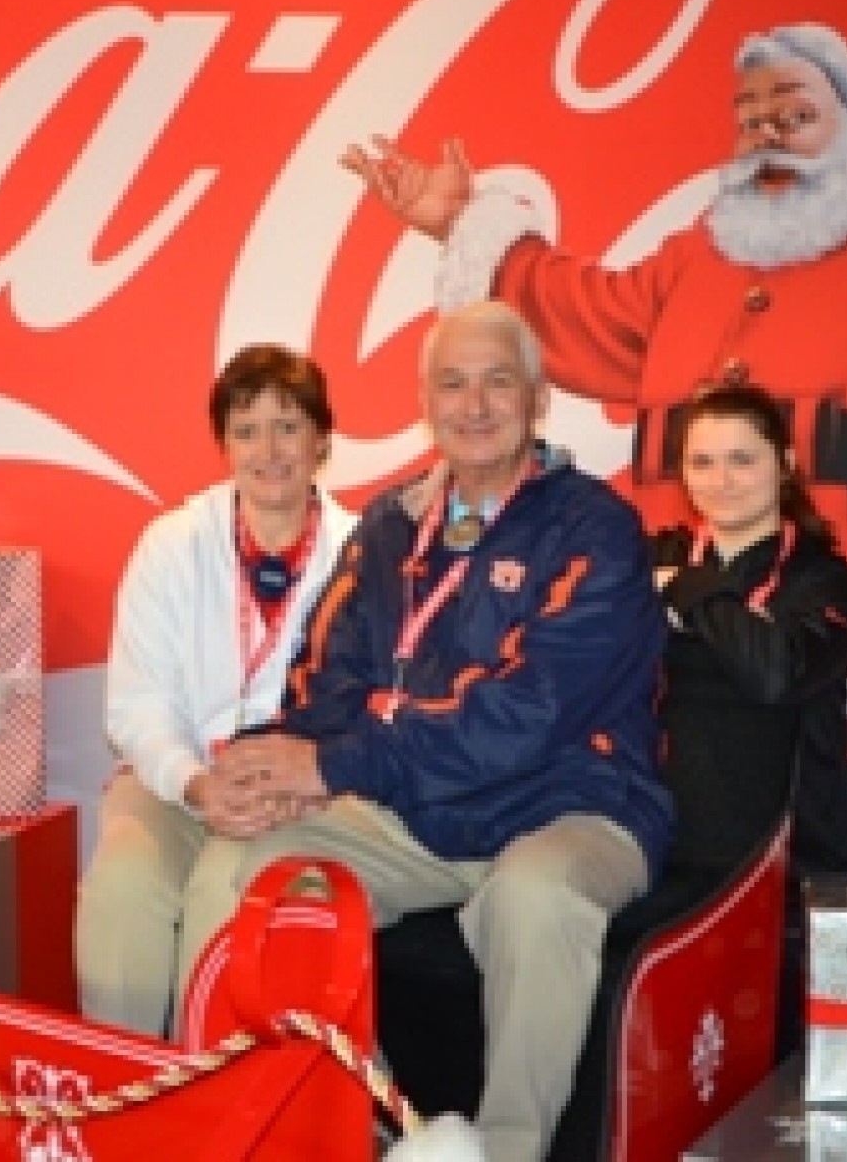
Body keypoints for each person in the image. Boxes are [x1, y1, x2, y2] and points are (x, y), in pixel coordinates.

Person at [341, 22, 847, 692]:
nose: (765, 135)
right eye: (749, 119)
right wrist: (458, 225)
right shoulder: (695, 260)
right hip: (672, 594)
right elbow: (587, 313)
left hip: (837, 615)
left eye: (793, 116)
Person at [180, 301, 674, 1162]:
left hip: (572, 802)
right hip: (419, 806)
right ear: (425, 402)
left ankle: (508, 1152)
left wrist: (340, 759)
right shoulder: (388, 525)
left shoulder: (595, 527)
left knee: (534, 893)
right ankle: (378, 1130)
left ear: (538, 398)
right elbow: (329, 678)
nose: (474, 404)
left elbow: (528, 715)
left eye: (497, 381)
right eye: (452, 383)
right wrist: (264, 763)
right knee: (249, 865)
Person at [73, 344, 356, 1036]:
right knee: (122, 889)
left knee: (223, 892)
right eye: (246, 429)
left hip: (292, 794)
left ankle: (209, 1112)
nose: (268, 450)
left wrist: (292, 782)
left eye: (288, 426)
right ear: (224, 445)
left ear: (322, 440)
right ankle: (125, 1104)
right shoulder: (171, 544)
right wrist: (196, 784)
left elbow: (365, 708)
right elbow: (138, 706)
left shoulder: (362, 552)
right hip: (175, 782)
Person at [652, 382, 847, 1057]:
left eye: (741, 459)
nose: (720, 481)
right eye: (701, 462)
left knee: (767, 1076)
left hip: (778, 871)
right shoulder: (653, 556)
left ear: (784, 462)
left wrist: (685, 594)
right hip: (664, 855)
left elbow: (771, 674)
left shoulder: (827, 581)